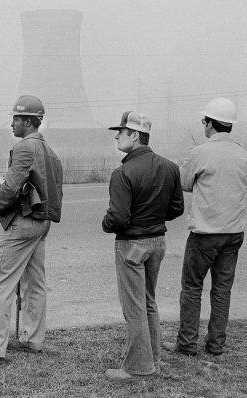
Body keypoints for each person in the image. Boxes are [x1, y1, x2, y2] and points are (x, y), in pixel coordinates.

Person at [0, 95, 63, 364]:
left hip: (23, 223)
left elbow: (11, 186)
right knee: (35, 283)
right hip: (42, 222)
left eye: (16, 119)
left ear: (29, 121)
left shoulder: (24, 148)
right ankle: (33, 339)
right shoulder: (50, 152)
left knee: (1, 282)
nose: (12, 124)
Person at [163, 98, 247, 357]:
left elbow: (185, 183)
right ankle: (215, 345)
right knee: (222, 290)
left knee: (192, 288)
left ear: (210, 124)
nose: (203, 124)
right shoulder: (243, 154)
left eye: (204, 120)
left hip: (205, 233)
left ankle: (187, 343)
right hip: (234, 233)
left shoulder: (200, 153)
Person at [102, 111, 184, 380]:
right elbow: (176, 208)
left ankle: (138, 367)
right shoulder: (170, 167)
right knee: (149, 302)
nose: (116, 136)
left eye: (121, 132)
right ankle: (154, 359)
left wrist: (106, 223)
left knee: (134, 307)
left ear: (135, 135)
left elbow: (117, 218)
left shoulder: (123, 172)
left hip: (132, 245)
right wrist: (152, 217)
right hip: (157, 242)